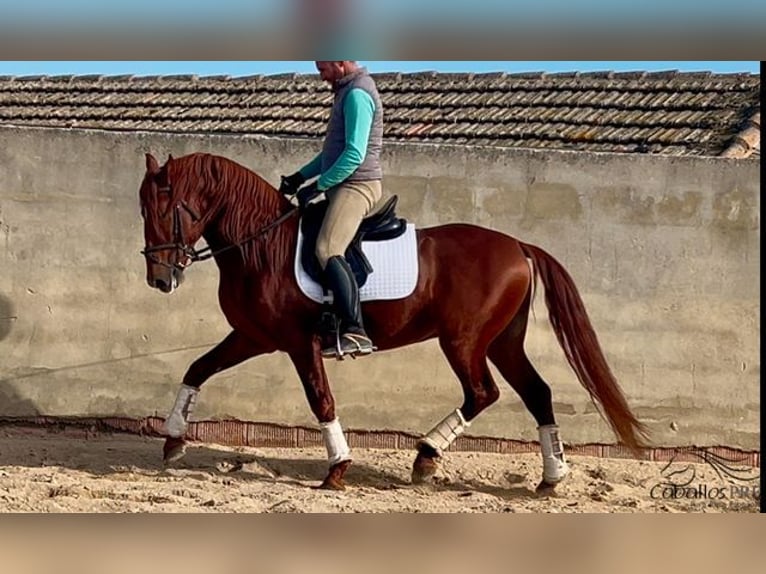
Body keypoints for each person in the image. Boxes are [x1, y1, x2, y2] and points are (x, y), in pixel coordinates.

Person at [280, 61, 384, 359]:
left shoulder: (358, 94)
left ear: (340, 62)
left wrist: (319, 186)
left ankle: (355, 330)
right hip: (341, 185)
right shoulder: (345, 91)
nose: (320, 75)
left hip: (357, 186)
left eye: (323, 68)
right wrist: (300, 177)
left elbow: (354, 154)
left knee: (327, 248)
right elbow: (331, 153)